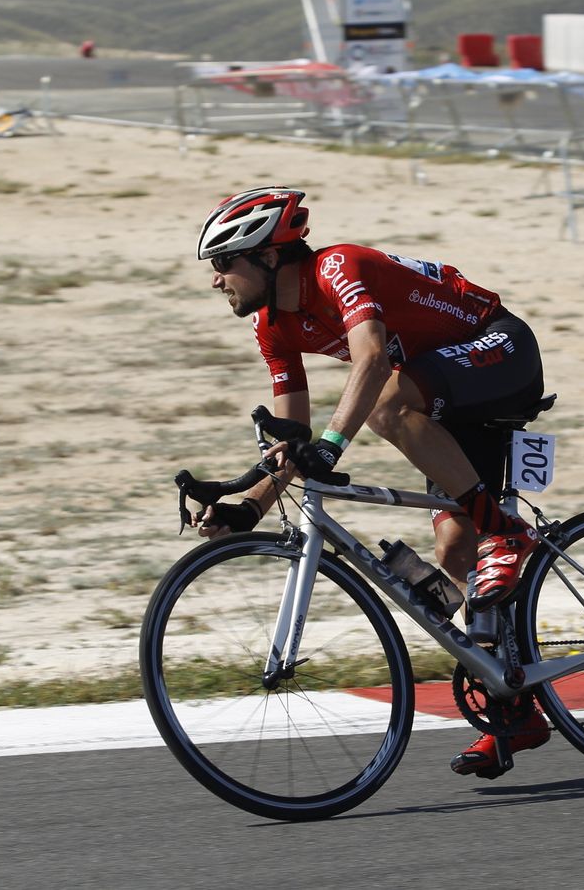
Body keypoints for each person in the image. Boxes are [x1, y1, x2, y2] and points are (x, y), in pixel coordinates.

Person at [193, 187, 551, 776]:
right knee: (456, 551)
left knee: (385, 405)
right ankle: (515, 708)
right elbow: (296, 438)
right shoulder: (272, 326)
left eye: (224, 263)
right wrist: (249, 510)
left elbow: (372, 359)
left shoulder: (338, 267)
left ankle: (507, 532)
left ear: (268, 256)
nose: (216, 280)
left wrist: (334, 444)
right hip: (442, 397)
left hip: (499, 349)